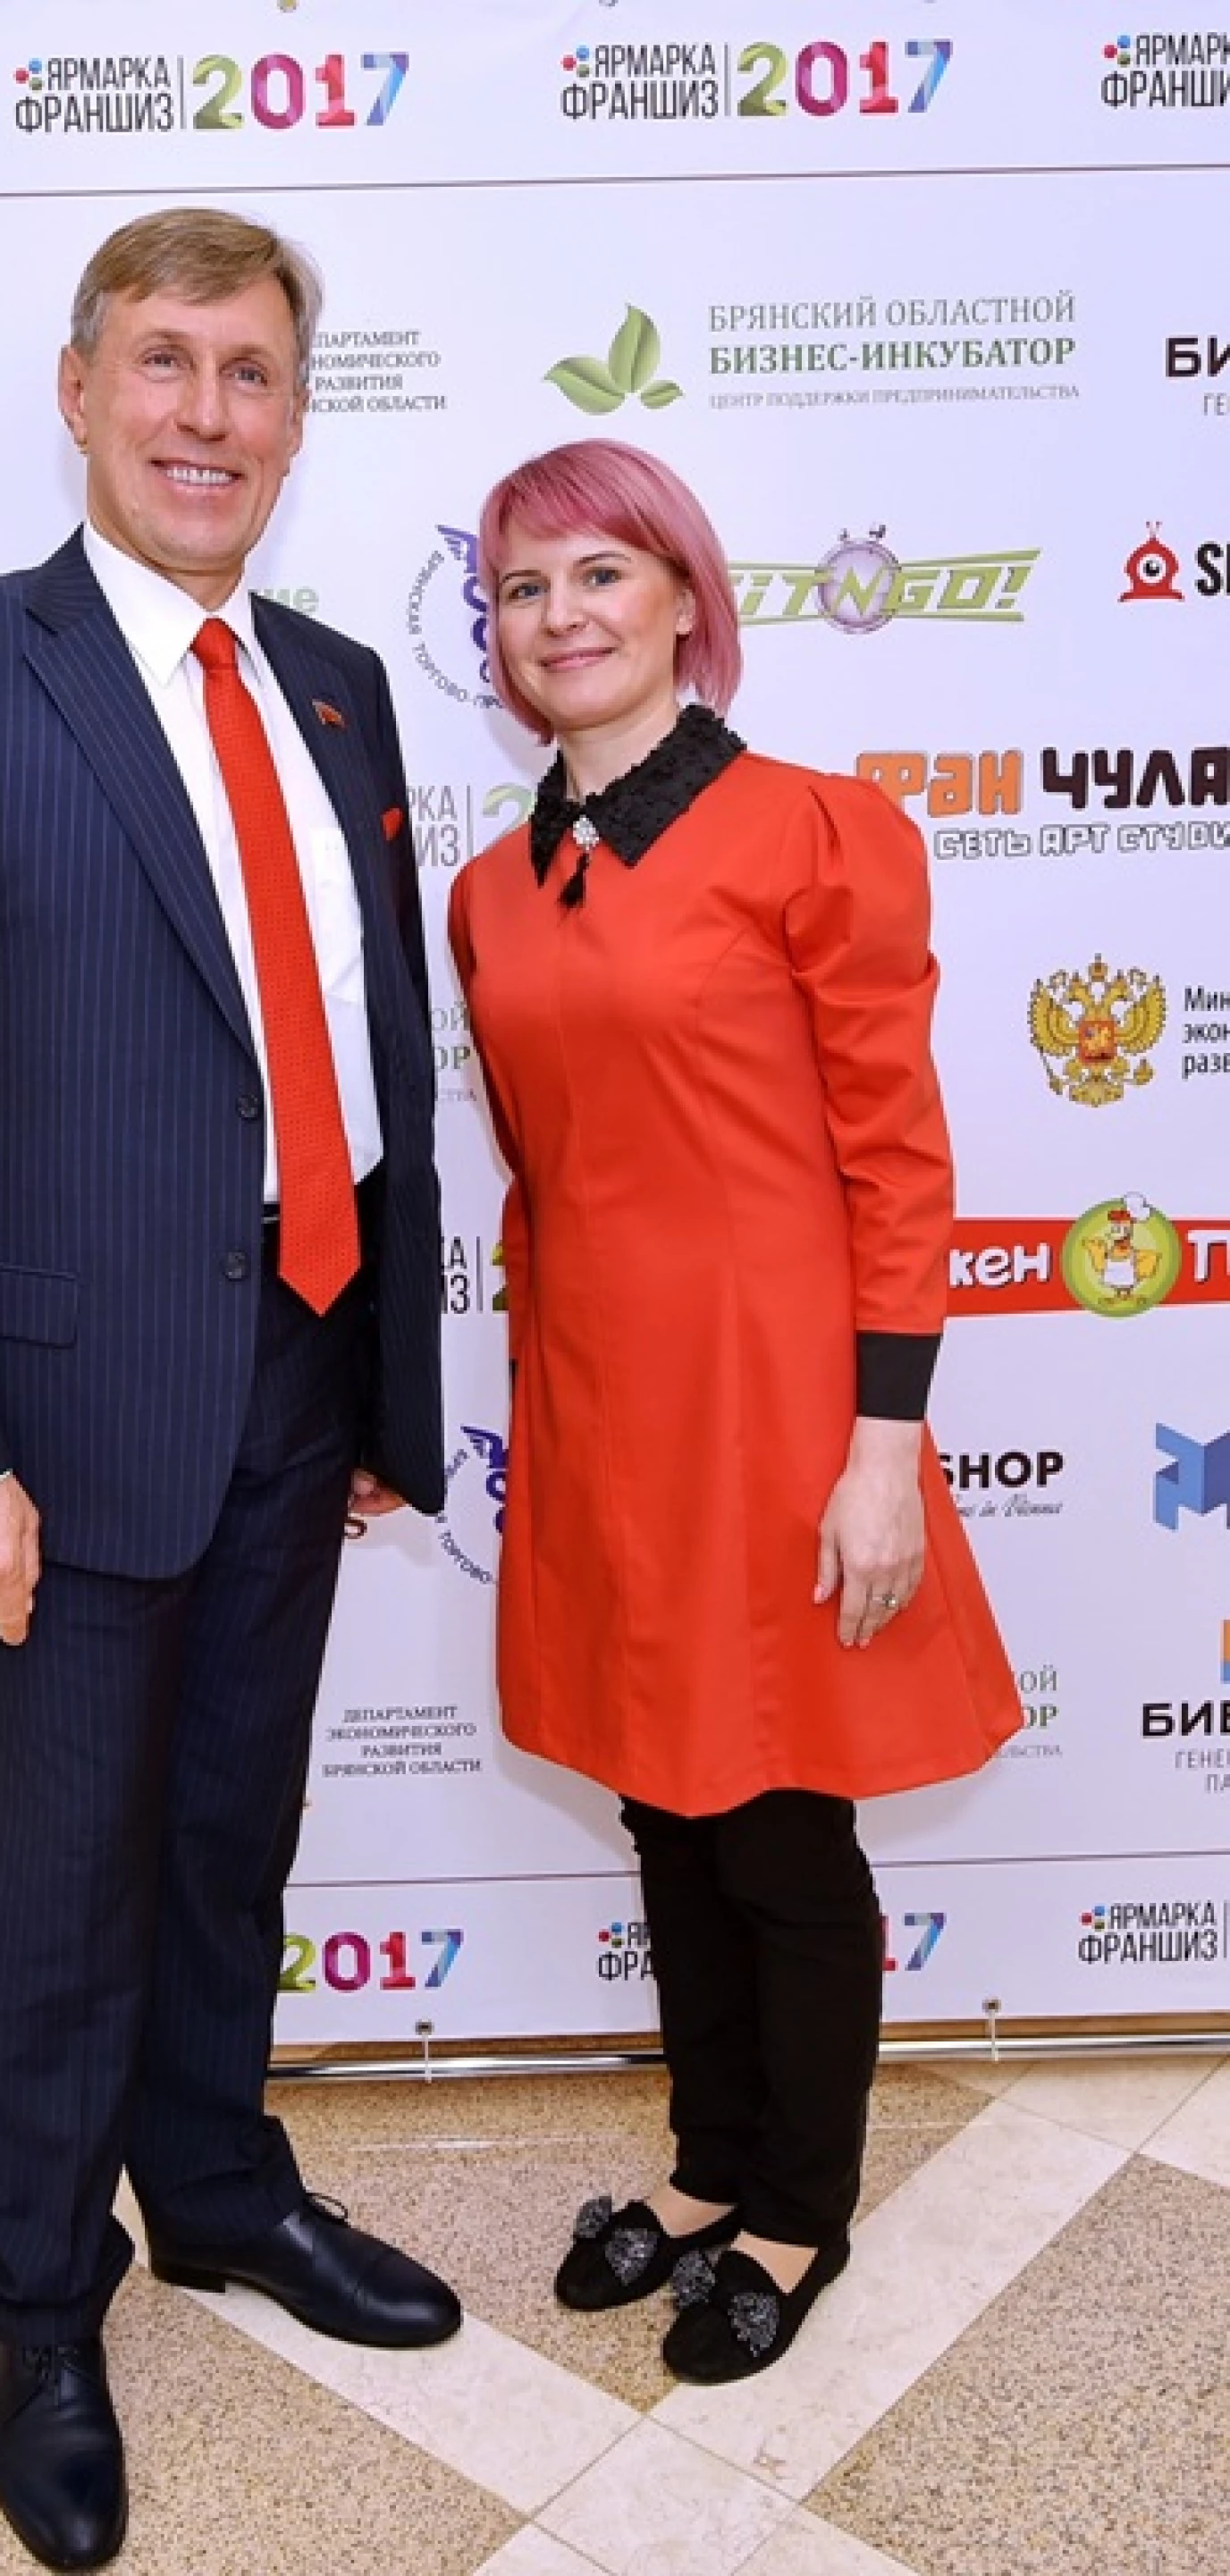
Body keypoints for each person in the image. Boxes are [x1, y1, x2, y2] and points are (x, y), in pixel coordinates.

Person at [0, 208, 455, 2572]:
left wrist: (381, 1379)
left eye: (251, 372)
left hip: (299, 1360)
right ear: (80, 392)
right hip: (60, 1418)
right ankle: (41, 2298)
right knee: (64, 1872)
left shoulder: (341, 685)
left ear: (297, 417)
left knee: (229, 1829)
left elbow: (368, 1048)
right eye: (164, 362)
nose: (206, 412)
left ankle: (221, 2190)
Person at [447, 438, 1020, 2386]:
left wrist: (885, 1445)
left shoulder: (818, 834)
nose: (563, 616)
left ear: (687, 597)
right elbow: (547, 1177)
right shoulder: (492, 892)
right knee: (662, 1808)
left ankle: (798, 2210)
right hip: (600, 1412)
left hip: (784, 1416)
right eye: (524, 588)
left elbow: (898, 1160)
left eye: (603, 573)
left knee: (776, 1823)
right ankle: (705, 2170)